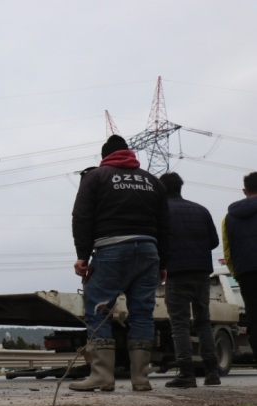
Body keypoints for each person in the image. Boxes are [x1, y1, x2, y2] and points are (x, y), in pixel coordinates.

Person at [70, 135, 170, 392]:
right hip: (149, 252)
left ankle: (102, 375)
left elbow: (81, 216)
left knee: (99, 310)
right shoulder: (153, 181)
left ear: (104, 157)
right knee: (142, 314)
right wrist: (163, 263)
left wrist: (82, 255)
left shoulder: (96, 177)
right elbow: (165, 226)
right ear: (129, 153)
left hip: (111, 250)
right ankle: (140, 379)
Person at [159, 172, 221, 388]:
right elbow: (213, 241)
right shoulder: (201, 210)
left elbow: (159, 243)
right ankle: (212, 372)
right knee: (204, 322)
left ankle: (186, 373)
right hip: (202, 272)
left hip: (176, 273)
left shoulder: (161, 212)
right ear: (180, 187)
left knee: (180, 325)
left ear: (162, 189)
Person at [221, 171, 257, 365]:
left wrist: (237, 273)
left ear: (245, 190)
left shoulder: (229, 218)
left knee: (254, 317)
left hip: (246, 273)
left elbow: (227, 250)